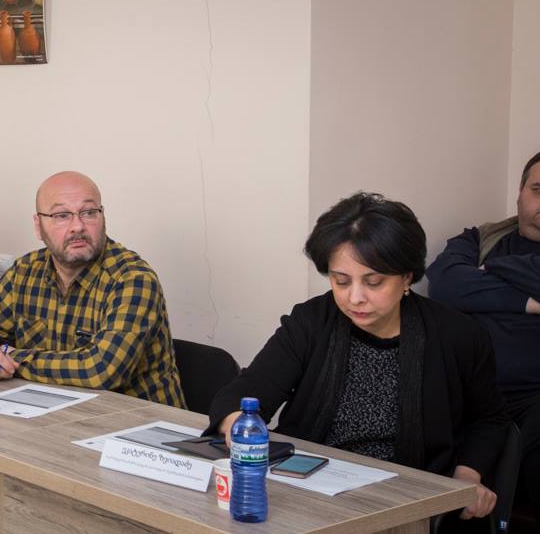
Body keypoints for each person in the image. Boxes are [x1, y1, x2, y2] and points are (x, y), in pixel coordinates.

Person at [209, 192, 507, 528]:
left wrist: (466, 478)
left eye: (373, 282)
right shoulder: (311, 322)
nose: (355, 298)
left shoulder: (458, 335)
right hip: (308, 488)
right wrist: (239, 427)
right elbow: (244, 393)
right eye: (341, 281)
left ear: (407, 277)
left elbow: (489, 420)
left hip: (405, 501)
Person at [0, 172, 185, 406]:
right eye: (62, 215)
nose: (78, 226)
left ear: (103, 217)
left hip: (137, 421)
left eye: (89, 213)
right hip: (59, 412)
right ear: (38, 226)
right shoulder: (25, 271)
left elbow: (101, 370)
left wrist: (11, 357)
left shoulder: (133, 279)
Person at [428, 150, 540, 521]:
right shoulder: (483, 239)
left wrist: (491, 271)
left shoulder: (484, 256)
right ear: (519, 193)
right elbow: (446, 284)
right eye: (538, 190)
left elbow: (465, 284)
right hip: (468, 388)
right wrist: (529, 301)